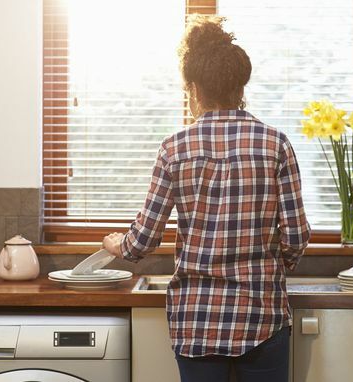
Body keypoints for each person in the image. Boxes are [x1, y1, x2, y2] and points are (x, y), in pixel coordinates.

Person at [103, 15, 310, 382]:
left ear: (194, 89)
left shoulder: (174, 149)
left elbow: (142, 241)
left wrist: (118, 244)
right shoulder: (275, 144)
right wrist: (273, 264)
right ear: (240, 86)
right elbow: (295, 236)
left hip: (196, 321)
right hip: (261, 316)